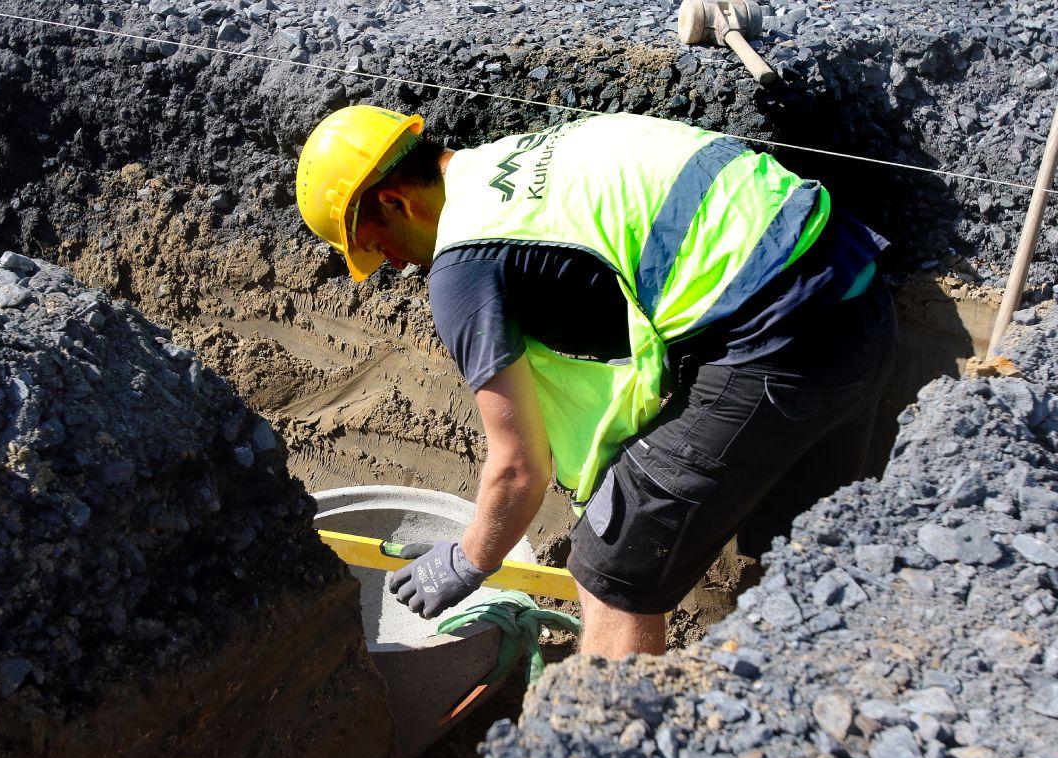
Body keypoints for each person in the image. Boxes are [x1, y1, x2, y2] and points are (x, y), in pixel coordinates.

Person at [295, 105, 898, 657]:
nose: (393, 267)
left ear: (396, 203)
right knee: (799, 548)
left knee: (610, 568)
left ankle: (609, 749)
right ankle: (794, 695)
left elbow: (517, 469)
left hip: (781, 346)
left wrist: (468, 558)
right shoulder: (524, 156)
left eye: (378, 246)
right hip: (859, 298)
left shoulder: (464, 266)